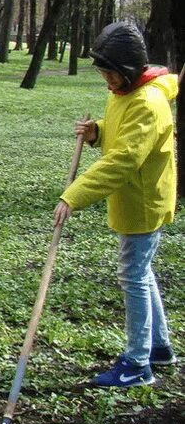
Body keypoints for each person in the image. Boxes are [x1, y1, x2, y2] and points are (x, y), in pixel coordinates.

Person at [54, 21, 178, 388]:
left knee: (133, 275)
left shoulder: (149, 103)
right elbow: (120, 132)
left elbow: (123, 160)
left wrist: (73, 195)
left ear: (128, 71)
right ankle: (159, 347)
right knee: (141, 271)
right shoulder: (126, 93)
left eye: (111, 74)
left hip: (143, 200)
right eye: (103, 74)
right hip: (134, 197)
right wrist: (98, 132)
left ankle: (138, 364)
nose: (106, 81)